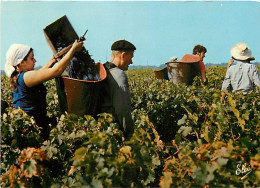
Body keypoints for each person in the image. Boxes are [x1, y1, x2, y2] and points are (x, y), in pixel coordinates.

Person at [4, 40, 83, 140]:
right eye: (32, 58)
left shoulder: (18, 76)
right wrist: (73, 50)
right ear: (22, 63)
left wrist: (53, 60)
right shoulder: (26, 77)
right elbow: (57, 71)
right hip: (31, 129)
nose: (35, 61)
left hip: (33, 123)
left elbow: (40, 73)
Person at [101, 40, 136, 138]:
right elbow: (123, 110)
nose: (131, 62)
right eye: (131, 57)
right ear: (123, 55)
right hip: (113, 132)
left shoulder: (103, 70)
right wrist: (129, 135)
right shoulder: (119, 75)